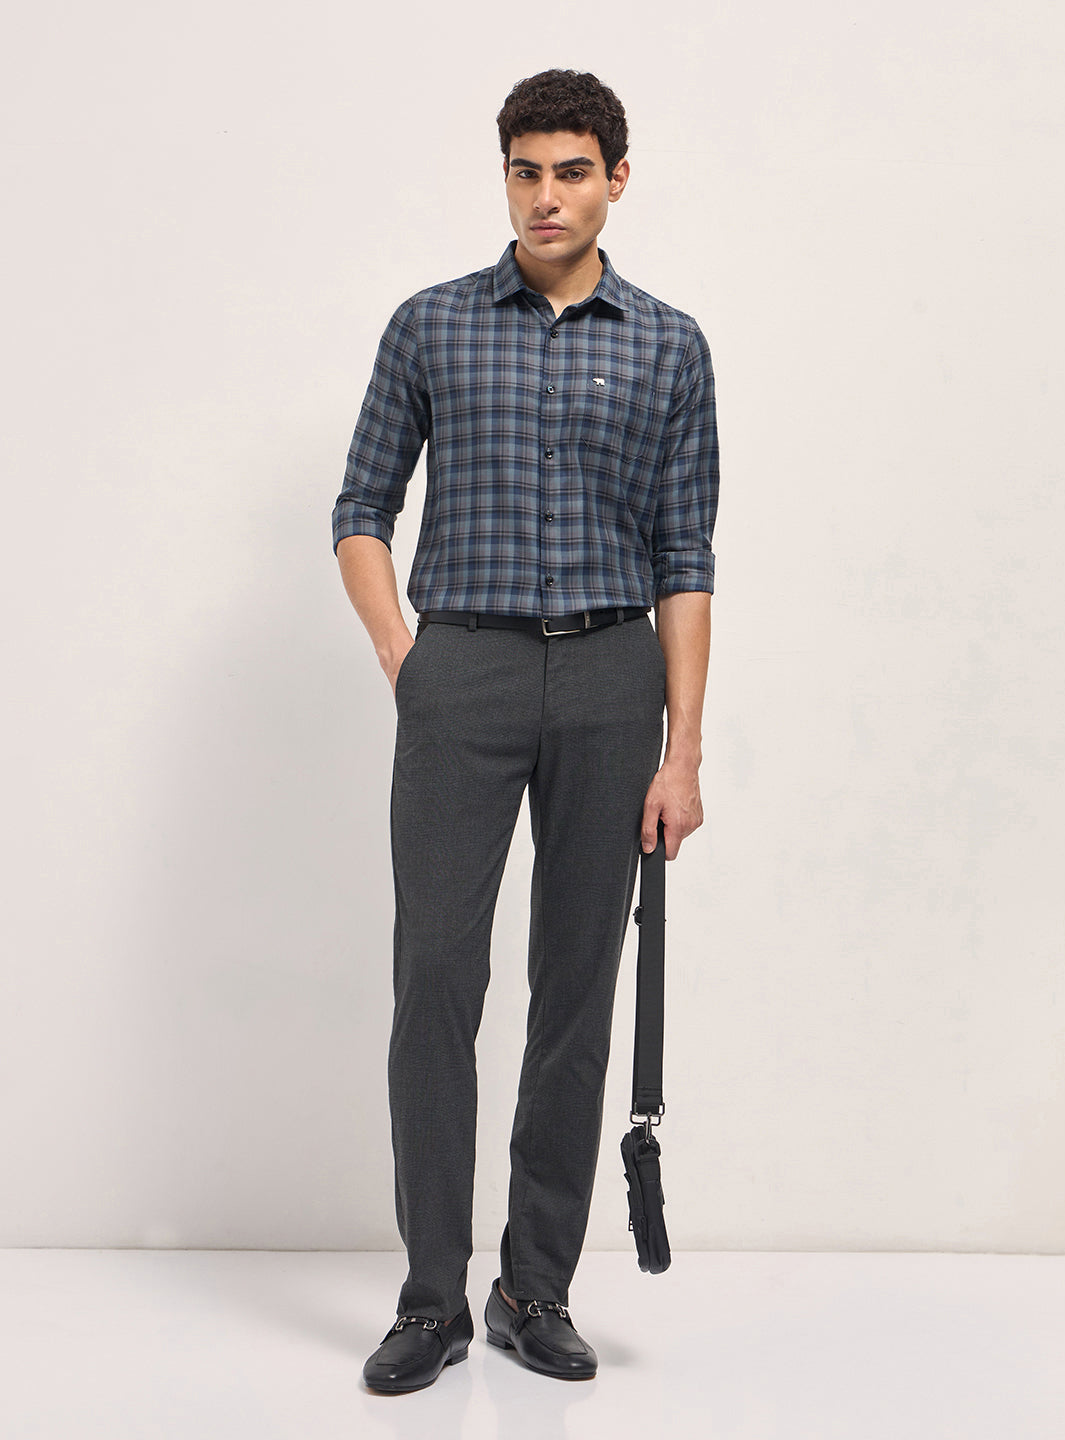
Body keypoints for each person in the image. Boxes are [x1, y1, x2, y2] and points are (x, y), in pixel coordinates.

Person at [333, 68, 719, 1392]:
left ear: (618, 179)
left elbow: (685, 556)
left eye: (571, 171)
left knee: (576, 987)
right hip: (465, 670)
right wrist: (408, 657)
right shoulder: (432, 325)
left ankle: (533, 1286)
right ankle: (431, 1298)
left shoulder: (669, 345)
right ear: (504, 178)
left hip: (613, 678)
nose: (546, 196)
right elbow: (361, 508)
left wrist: (683, 749)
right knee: (437, 975)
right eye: (524, 171)